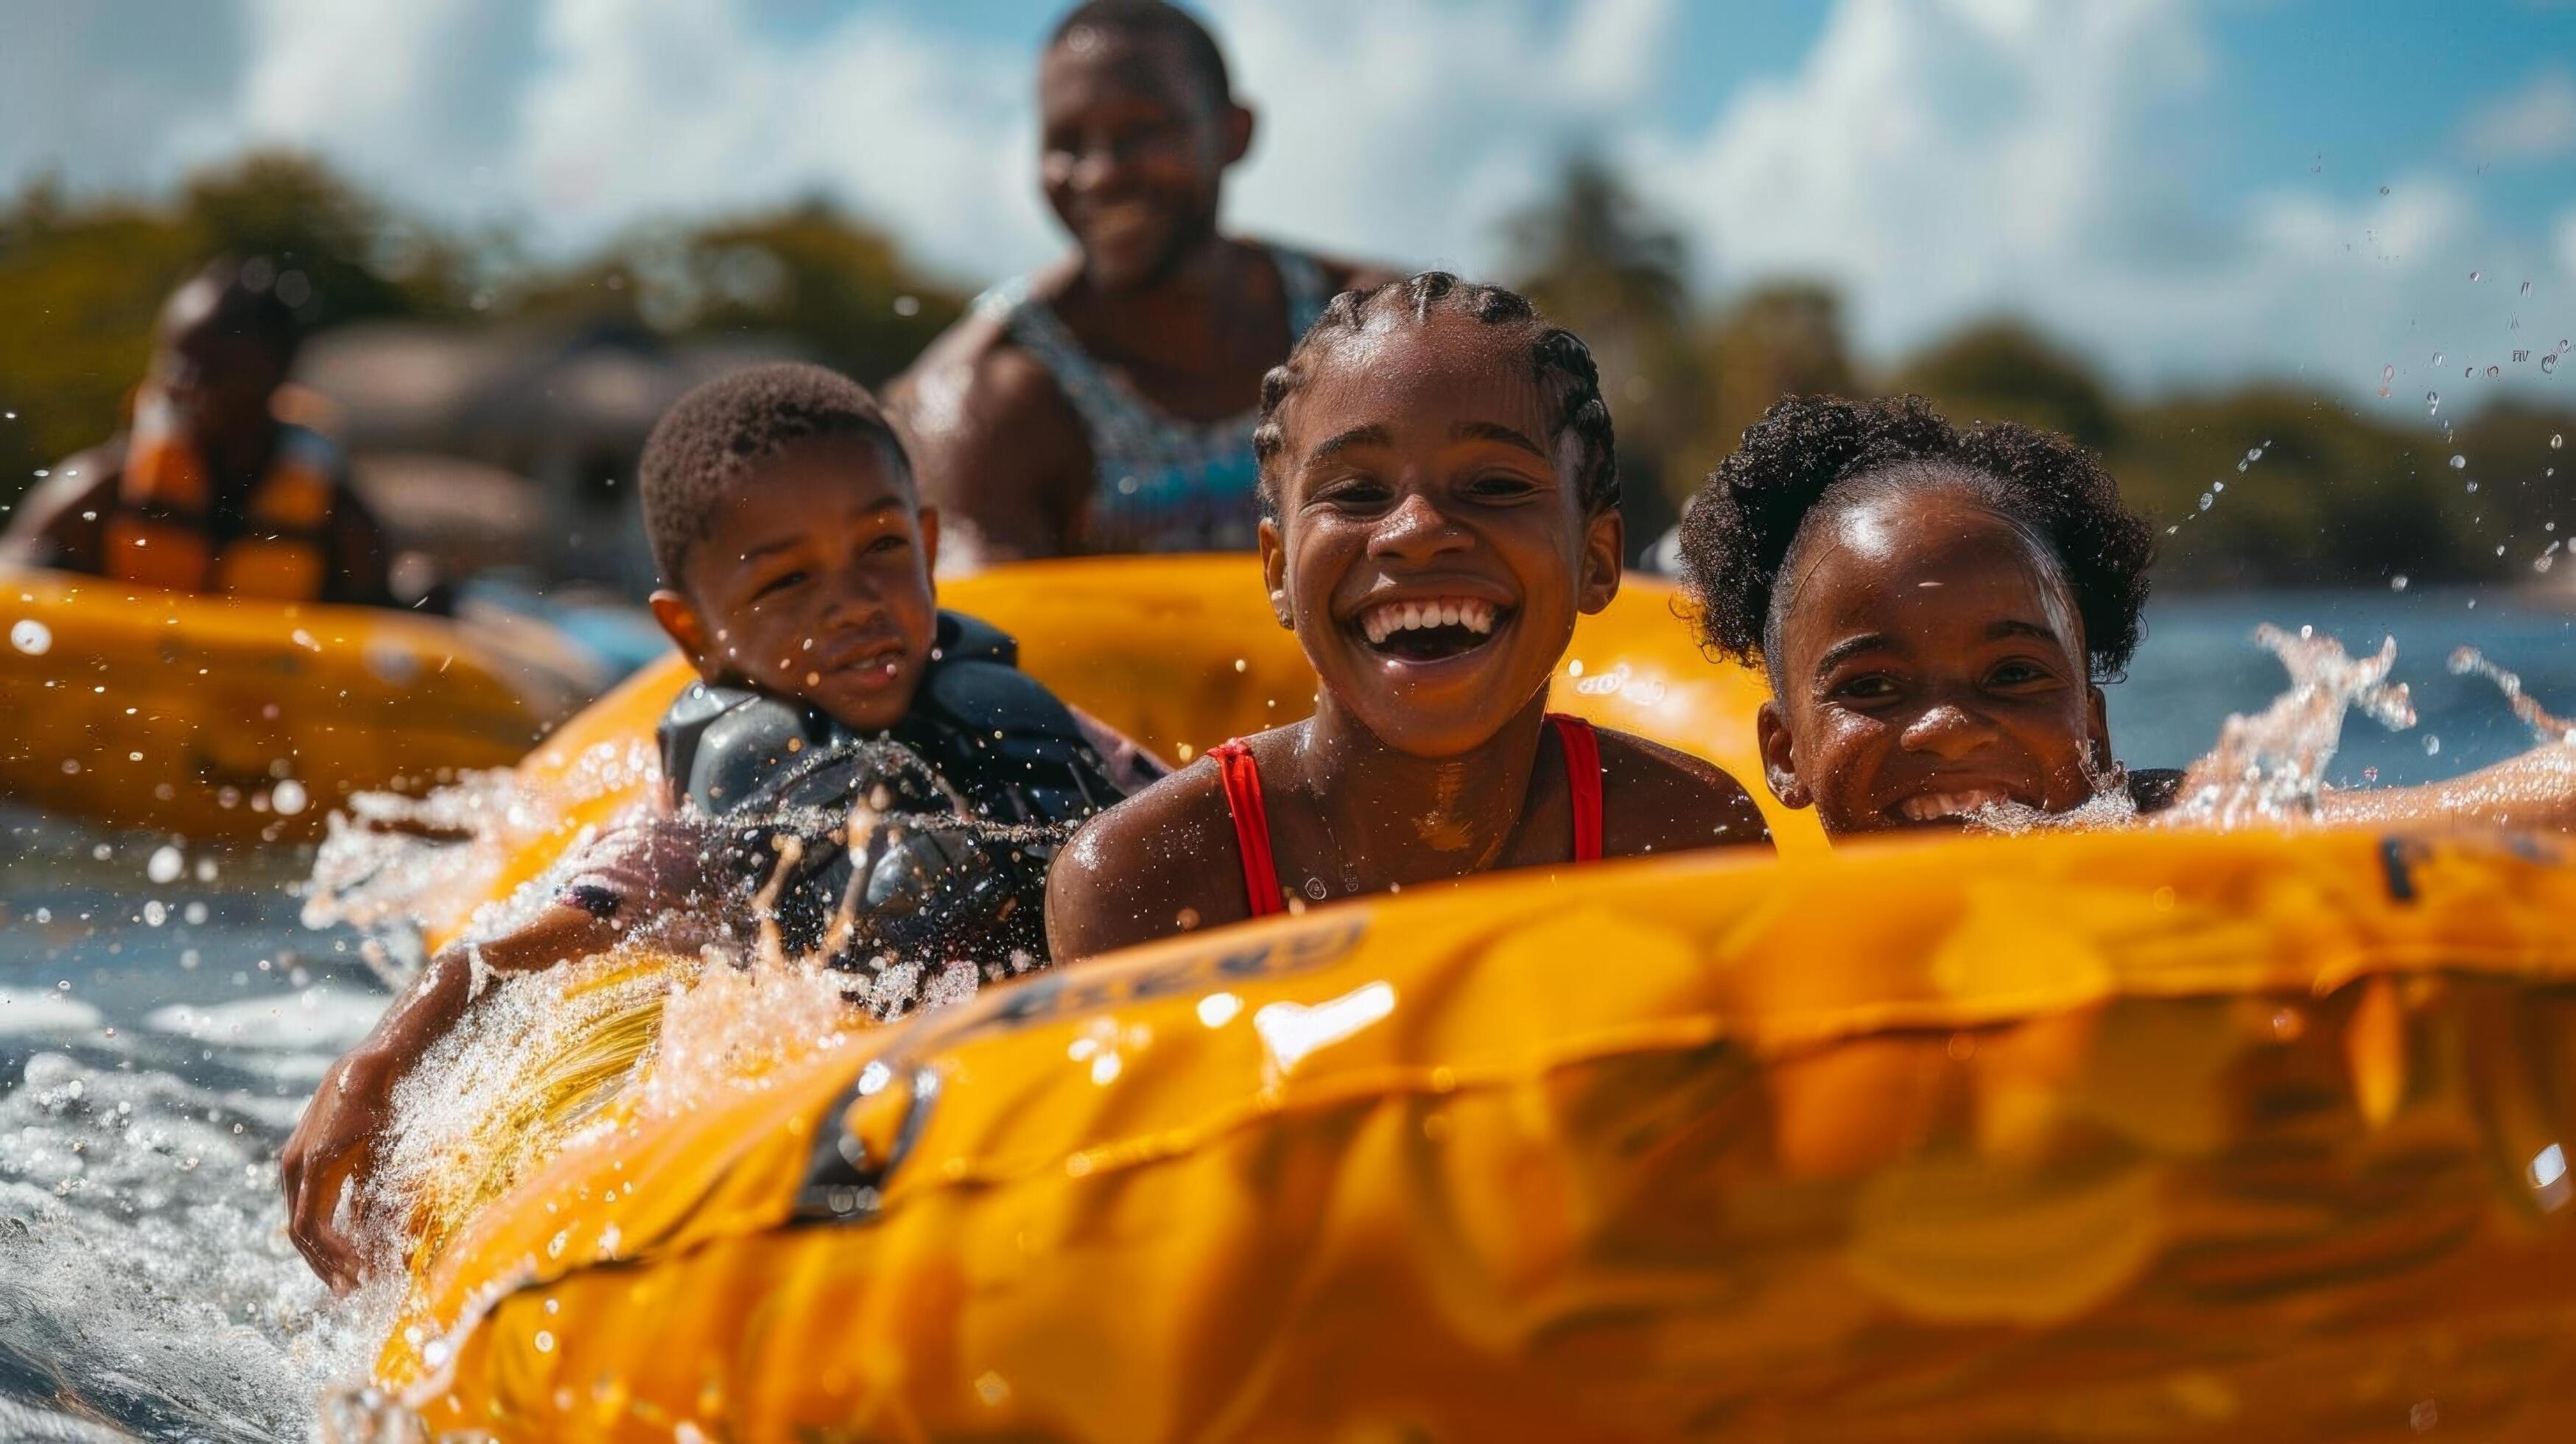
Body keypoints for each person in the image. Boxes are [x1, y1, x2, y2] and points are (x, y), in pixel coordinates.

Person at [281, 363, 1157, 1292]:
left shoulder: (1024, 722)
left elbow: (1196, 820)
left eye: (881, 548)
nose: (852, 601)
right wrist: (377, 1061)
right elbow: (538, 933)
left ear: (929, 544)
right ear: (692, 633)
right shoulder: (719, 807)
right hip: (854, 1122)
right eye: (785, 581)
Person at [1045, 273, 1772, 961]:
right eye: (1357, 492)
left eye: (1492, 485)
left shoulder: (1680, 838)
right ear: (1277, 573)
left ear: (1597, 558)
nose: (1418, 529)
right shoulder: (1150, 882)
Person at [1674, 393, 2576, 838]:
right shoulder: (1738, 899)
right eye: (1871, 685)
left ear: (2094, 734)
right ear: (1783, 752)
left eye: (2013, 675)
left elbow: (2462, 812)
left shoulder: (2181, 831)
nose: (1947, 729)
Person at [893, 0, 1393, 564]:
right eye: (1066, 141)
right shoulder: (997, 393)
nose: (1100, 173)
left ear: (1234, 134)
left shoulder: (1367, 330)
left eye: (1140, 131)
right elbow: (984, 628)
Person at [0, 256, 397, 606]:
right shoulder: (99, 491)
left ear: (278, 370)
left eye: (214, 365)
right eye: (175, 359)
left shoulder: (340, 521)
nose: (184, 382)